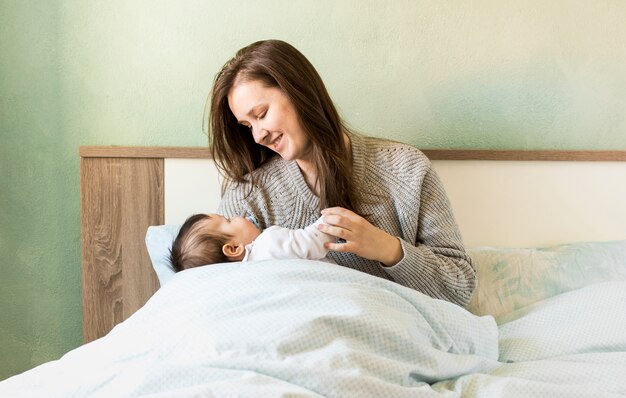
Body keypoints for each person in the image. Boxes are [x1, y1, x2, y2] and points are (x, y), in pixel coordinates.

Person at [207, 39, 476, 307]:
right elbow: (231, 306)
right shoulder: (247, 198)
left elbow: (460, 288)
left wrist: (389, 249)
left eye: (262, 114)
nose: (258, 136)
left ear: (300, 92)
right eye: (246, 126)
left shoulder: (406, 170)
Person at [169, 213, 336, 272]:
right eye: (229, 220)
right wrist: (332, 220)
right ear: (233, 249)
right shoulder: (267, 243)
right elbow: (312, 242)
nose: (237, 216)